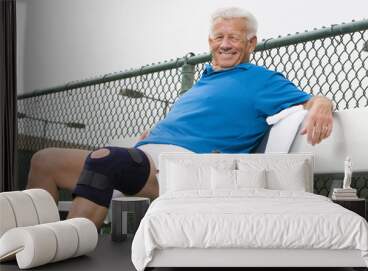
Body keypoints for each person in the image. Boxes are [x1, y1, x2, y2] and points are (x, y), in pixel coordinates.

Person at [27, 7, 333, 229]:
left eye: (234, 38)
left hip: (189, 167)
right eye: (219, 37)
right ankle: (33, 243)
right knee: (45, 160)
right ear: (210, 41)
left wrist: (321, 105)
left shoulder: (260, 80)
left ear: (251, 43)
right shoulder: (202, 82)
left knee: (108, 160)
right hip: (149, 159)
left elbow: (311, 100)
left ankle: (69, 245)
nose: (225, 44)